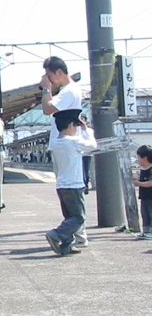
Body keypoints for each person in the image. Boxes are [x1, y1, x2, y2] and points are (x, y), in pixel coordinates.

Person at [45, 109, 97, 256]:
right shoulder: (74, 142)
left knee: (69, 217)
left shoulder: (55, 143)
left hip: (62, 185)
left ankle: (66, 246)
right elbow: (93, 146)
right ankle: (56, 234)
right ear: (70, 125)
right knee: (79, 218)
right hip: (74, 185)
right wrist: (87, 130)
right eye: (76, 125)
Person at [40, 56, 83, 144]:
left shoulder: (69, 91)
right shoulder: (67, 90)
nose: (48, 79)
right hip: (65, 144)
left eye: (49, 75)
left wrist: (46, 89)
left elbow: (47, 110)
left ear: (59, 72)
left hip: (66, 145)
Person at [134, 145, 152, 240]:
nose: (138, 159)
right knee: (145, 214)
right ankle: (146, 231)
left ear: (145, 158)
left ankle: (150, 232)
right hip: (144, 197)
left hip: (150, 197)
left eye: (138, 157)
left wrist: (139, 183)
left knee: (150, 214)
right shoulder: (142, 170)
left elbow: (150, 183)